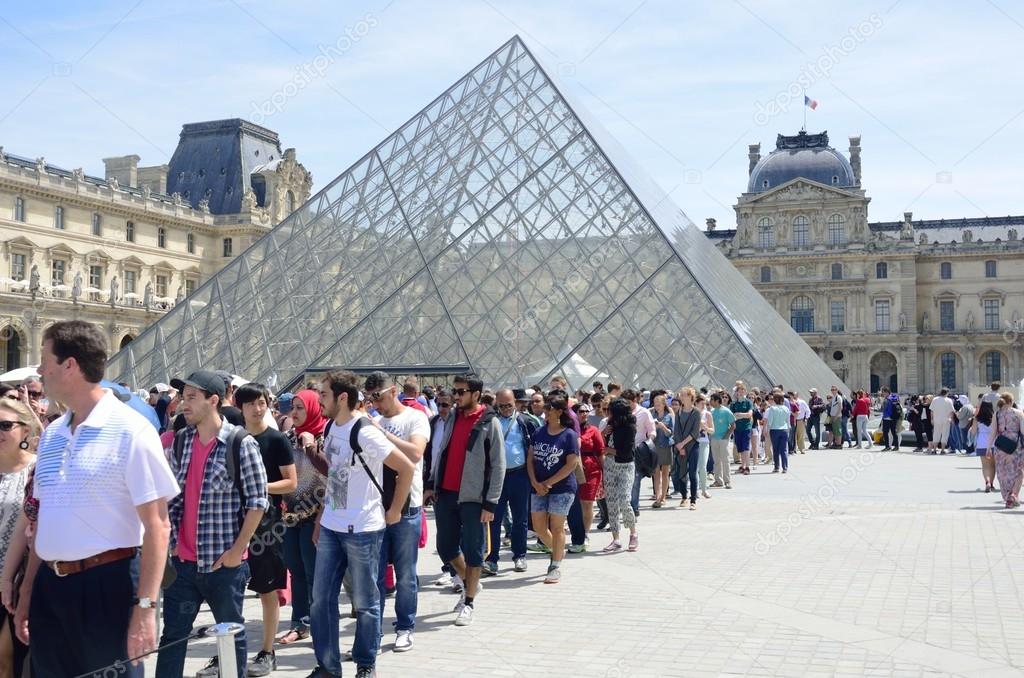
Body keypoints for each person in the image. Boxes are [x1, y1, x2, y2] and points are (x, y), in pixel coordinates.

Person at [28, 321, 178, 678]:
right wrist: (25, 598)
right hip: (50, 587)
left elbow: (158, 526)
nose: (39, 369)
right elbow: (42, 522)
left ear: (70, 365)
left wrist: (145, 608)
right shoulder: (51, 435)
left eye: (44, 359)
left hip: (106, 586)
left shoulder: (131, 430)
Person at [157, 371, 269, 678]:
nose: (183, 404)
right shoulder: (181, 442)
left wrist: (237, 551)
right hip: (183, 564)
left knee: (230, 637)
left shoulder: (240, 443)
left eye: (192, 397)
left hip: (224, 565)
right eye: (183, 397)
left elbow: (258, 502)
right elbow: (174, 498)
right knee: (171, 639)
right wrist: (173, 542)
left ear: (214, 400)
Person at [308, 370, 415, 678]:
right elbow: (338, 477)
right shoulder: (331, 426)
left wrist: (394, 511)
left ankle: (366, 664)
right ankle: (328, 666)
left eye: (325, 395)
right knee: (320, 601)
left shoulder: (365, 431)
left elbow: (406, 467)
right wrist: (323, 517)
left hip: (364, 530)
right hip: (332, 524)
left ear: (343, 397)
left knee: (366, 603)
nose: (320, 401)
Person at [424, 374, 505, 627]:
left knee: (474, 551)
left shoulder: (489, 422)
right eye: (455, 391)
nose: (456, 396)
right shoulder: (451, 419)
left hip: (473, 497)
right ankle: (472, 583)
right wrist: (431, 484)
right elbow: (441, 452)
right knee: (446, 548)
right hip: (446, 493)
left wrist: (490, 503)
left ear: (476, 394)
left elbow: (498, 465)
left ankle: (468, 601)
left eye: (461, 392)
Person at [362, 372, 430, 653]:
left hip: (406, 508)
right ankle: (374, 633)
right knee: (374, 576)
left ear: (393, 391)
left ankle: (405, 627)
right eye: (369, 398)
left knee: (405, 574)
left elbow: (415, 454)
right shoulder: (370, 420)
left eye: (376, 396)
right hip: (375, 507)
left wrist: (381, 433)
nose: (373, 402)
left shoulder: (415, 418)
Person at [235, 383, 297, 677]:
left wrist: (257, 487)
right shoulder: (235, 439)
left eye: (261, 403)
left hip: (269, 523)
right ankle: (230, 650)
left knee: (267, 588)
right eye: (251, 404)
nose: (257, 409)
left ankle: (268, 649)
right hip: (236, 520)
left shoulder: (277, 440)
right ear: (241, 408)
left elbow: (292, 483)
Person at [279, 389, 327, 646]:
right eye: (293, 407)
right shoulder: (286, 438)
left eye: (301, 408)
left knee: (313, 573)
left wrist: (320, 518)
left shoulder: (323, 438)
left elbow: (331, 479)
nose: (294, 413)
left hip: (315, 517)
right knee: (296, 571)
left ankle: (316, 622)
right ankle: (300, 622)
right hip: (290, 517)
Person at [0, 399, 37, 677]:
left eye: (5, 425)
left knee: (7, 656)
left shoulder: (36, 470)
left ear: (25, 431)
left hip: (18, 578)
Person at [527, 397, 579, 583]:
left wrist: (548, 483)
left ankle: (555, 565)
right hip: (538, 486)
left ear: (559, 411)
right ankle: (559, 550)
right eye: (546, 408)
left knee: (557, 527)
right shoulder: (539, 432)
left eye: (550, 408)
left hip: (562, 488)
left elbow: (571, 464)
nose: (546, 411)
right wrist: (535, 482)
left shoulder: (569, 435)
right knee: (539, 528)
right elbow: (530, 459)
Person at [485, 389, 537, 575]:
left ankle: (519, 556)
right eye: (502, 405)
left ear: (515, 402)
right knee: (494, 519)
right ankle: (491, 560)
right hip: (497, 478)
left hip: (519, 475)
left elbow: (534, 448)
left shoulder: (525, 421)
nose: (506, 408)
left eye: (509, 405)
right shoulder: (491, 422)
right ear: (496, 404)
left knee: (520, 519)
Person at [601, 398, 638, 552]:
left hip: (625, 466)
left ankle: (633, 533)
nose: (608, 413)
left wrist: (610, 451)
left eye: (610, 411)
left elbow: (627, 451)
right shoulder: (610, 425)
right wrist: (603, 434)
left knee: (624, 500)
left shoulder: (629, 427)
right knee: (611, 503)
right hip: (609, 466)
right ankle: (616, 539)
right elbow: (601, 445)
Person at [623, 389, 655, 516]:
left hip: (638, 451)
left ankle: (634, 507)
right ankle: (626, 505)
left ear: (634, 400)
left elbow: (652, 430)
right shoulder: (621, 413)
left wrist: (647, 444)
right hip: (623, 451)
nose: (626, 404)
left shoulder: (644, 412)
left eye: (628, 402)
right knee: (626, 481)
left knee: (635, 479)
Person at [574, 402, 604, 532]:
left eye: (587, 411)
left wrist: (605, 472)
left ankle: (585, 533)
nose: (584, 414)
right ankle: (578, 531)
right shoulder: (569, 430)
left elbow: (601, 451)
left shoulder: (593, 430)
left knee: (587, 503)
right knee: (577, 504)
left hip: (591, 470)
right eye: (581, 411)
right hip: (573, 469)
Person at [993, 393, 1024, 509]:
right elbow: (1023, 431)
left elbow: (993, 432)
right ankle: (1014, 495)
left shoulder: (997, 414)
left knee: (1002, 472)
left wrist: (987, 448)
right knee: (1019, 471)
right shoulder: (1019, 413)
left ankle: (1007, 497)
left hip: (1001, 445)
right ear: (1011, 401)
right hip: (1016, 445)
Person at [673, 387, 701, 509]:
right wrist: (679, 445)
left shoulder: (696, 413)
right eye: (681, 395)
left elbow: (695, 432)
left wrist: (683, 444)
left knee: (693, 473)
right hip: (680, 446)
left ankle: (693, 500)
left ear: (691, 397)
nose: (682, 397)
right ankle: (684, 497)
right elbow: (676, 430)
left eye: (684, 395)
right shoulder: (678, 412)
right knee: (681, 472)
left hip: (693, 445)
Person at [650, 393, 674, 507]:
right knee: (656, 473)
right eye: (655, 404)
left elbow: (671, 434)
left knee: (665, 472)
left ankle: (663, 496)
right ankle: (657, 496)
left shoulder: (669, 416)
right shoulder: (651, 415)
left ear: (664, 405)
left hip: (665, 446)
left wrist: (663, 427)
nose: (656, 406)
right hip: (654, 446)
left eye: (659, 404)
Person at [709, 393, 735, 489]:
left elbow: (733, 425)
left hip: (723, 439)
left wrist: (726, 436)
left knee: (725, 460)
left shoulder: (726, 411)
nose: (710, 402)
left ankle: (727, 481)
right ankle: (718, 480)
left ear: (717, 401)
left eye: (712, 400)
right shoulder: (711, 411)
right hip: (713, 438)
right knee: (716, 461)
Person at [730, 383, 754, 473]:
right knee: (740, 447)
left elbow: (749, 415)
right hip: (737, 428)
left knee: (746, 447)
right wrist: (742, 415)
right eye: (739, 391)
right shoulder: (734, 404)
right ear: (737, 393)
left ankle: (747, 466)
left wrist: (739, 415)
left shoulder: (748, 402)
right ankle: (743, 465)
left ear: (745, 392)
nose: (740, 393)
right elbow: (732, 416)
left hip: (746, 427)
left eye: (742, 391)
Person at [972, 399, 996, 493]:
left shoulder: (977, 418)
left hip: (981, 443)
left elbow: (973, 432)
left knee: (985, 465)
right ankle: (992, 484)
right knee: (993, 466)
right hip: (993, 442)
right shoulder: (994, 417)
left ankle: (987, 482)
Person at [766, 393, 791, 473]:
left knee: (775, 449)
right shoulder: (786, 409)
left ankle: (776, 467)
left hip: (774, 430)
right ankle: (785, 467)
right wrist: (788, 430)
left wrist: (767, 430)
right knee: (783, 449)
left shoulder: (772, 409)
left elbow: (770, 421)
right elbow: (788, 421)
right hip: (784, 430)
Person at [928, 388, 955, 454]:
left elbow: (931, 411)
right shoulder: (949, 400)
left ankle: (934, 450)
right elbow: (952, 411)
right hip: (946, 419)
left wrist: (931, 419)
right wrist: (952, 419)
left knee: (936, 434)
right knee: (945, 434)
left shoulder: (935, 399)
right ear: (947, 393)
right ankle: (942, 450)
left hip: (936, 419)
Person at [696, 394, 713, 498]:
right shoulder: (693, 414)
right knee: (694, 467)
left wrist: (705, 427)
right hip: (694, 442)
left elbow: (712, 430)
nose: (703, 406)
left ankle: (703, 489)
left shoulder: (707, 414)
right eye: (701, 403)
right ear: (696, 403)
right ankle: (695, 489)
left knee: (702, 466)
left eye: (705, 404)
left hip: (704, 442)